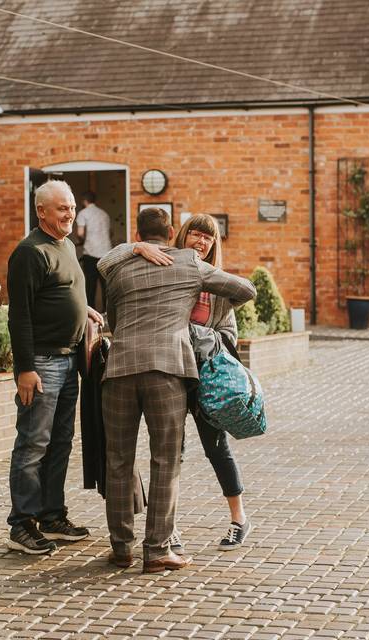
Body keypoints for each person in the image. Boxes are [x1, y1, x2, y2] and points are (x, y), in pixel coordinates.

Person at [99, 207, 256, 573]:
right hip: (167, 371)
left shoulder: (119, 267)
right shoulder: (190, 265)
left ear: (139, 236)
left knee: (118, 462)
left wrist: (130, 250)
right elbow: (245, 290)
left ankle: (121, 548)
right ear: (172, 230)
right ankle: (157, 550)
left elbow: (115, 318)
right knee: (165, 461)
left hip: (120, 368)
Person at [5, 180, 103, 555]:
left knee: (60, 443)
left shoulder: (67, 246)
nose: (69, 214)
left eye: (73, 207)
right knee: (33, 444)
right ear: (41, 211)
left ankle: (51, 515)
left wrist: (85, 310)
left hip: (69, 359)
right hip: (42, 364)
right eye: (61, 208)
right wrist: (24, 369)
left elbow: (69, 290)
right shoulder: (29, 252)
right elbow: (20, 317)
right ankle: (22, 524)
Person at [75, 191, 112, 310]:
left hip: (90, 253)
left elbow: (80, 233)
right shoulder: (104, 214)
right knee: (106, 285)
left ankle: (91, 314)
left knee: (90, 285)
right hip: (106, 253)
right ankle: (107, 313)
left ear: (84, 201)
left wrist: (82, 241)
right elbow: (110, 233)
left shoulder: (83, 213)